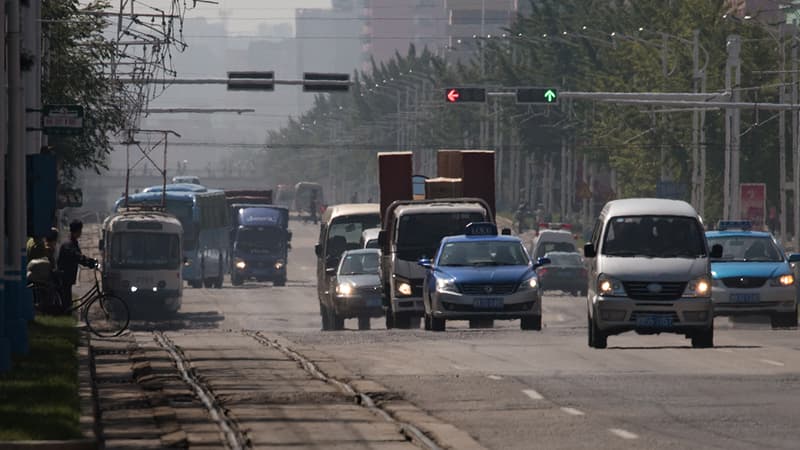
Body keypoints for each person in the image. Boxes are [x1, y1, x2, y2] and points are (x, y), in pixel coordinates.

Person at [56, 220, 97, 314]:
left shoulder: (72, 242)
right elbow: (76, 256)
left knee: (67, 298)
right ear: (77, 231)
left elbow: (78, 256)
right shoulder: (69, 244)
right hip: (65, 275)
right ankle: (64, 316)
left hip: (68, 275)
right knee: (66, 299)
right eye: (80, 230)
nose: (81, 233)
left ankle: (66, 314)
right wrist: (90, 262)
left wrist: (89, 262)